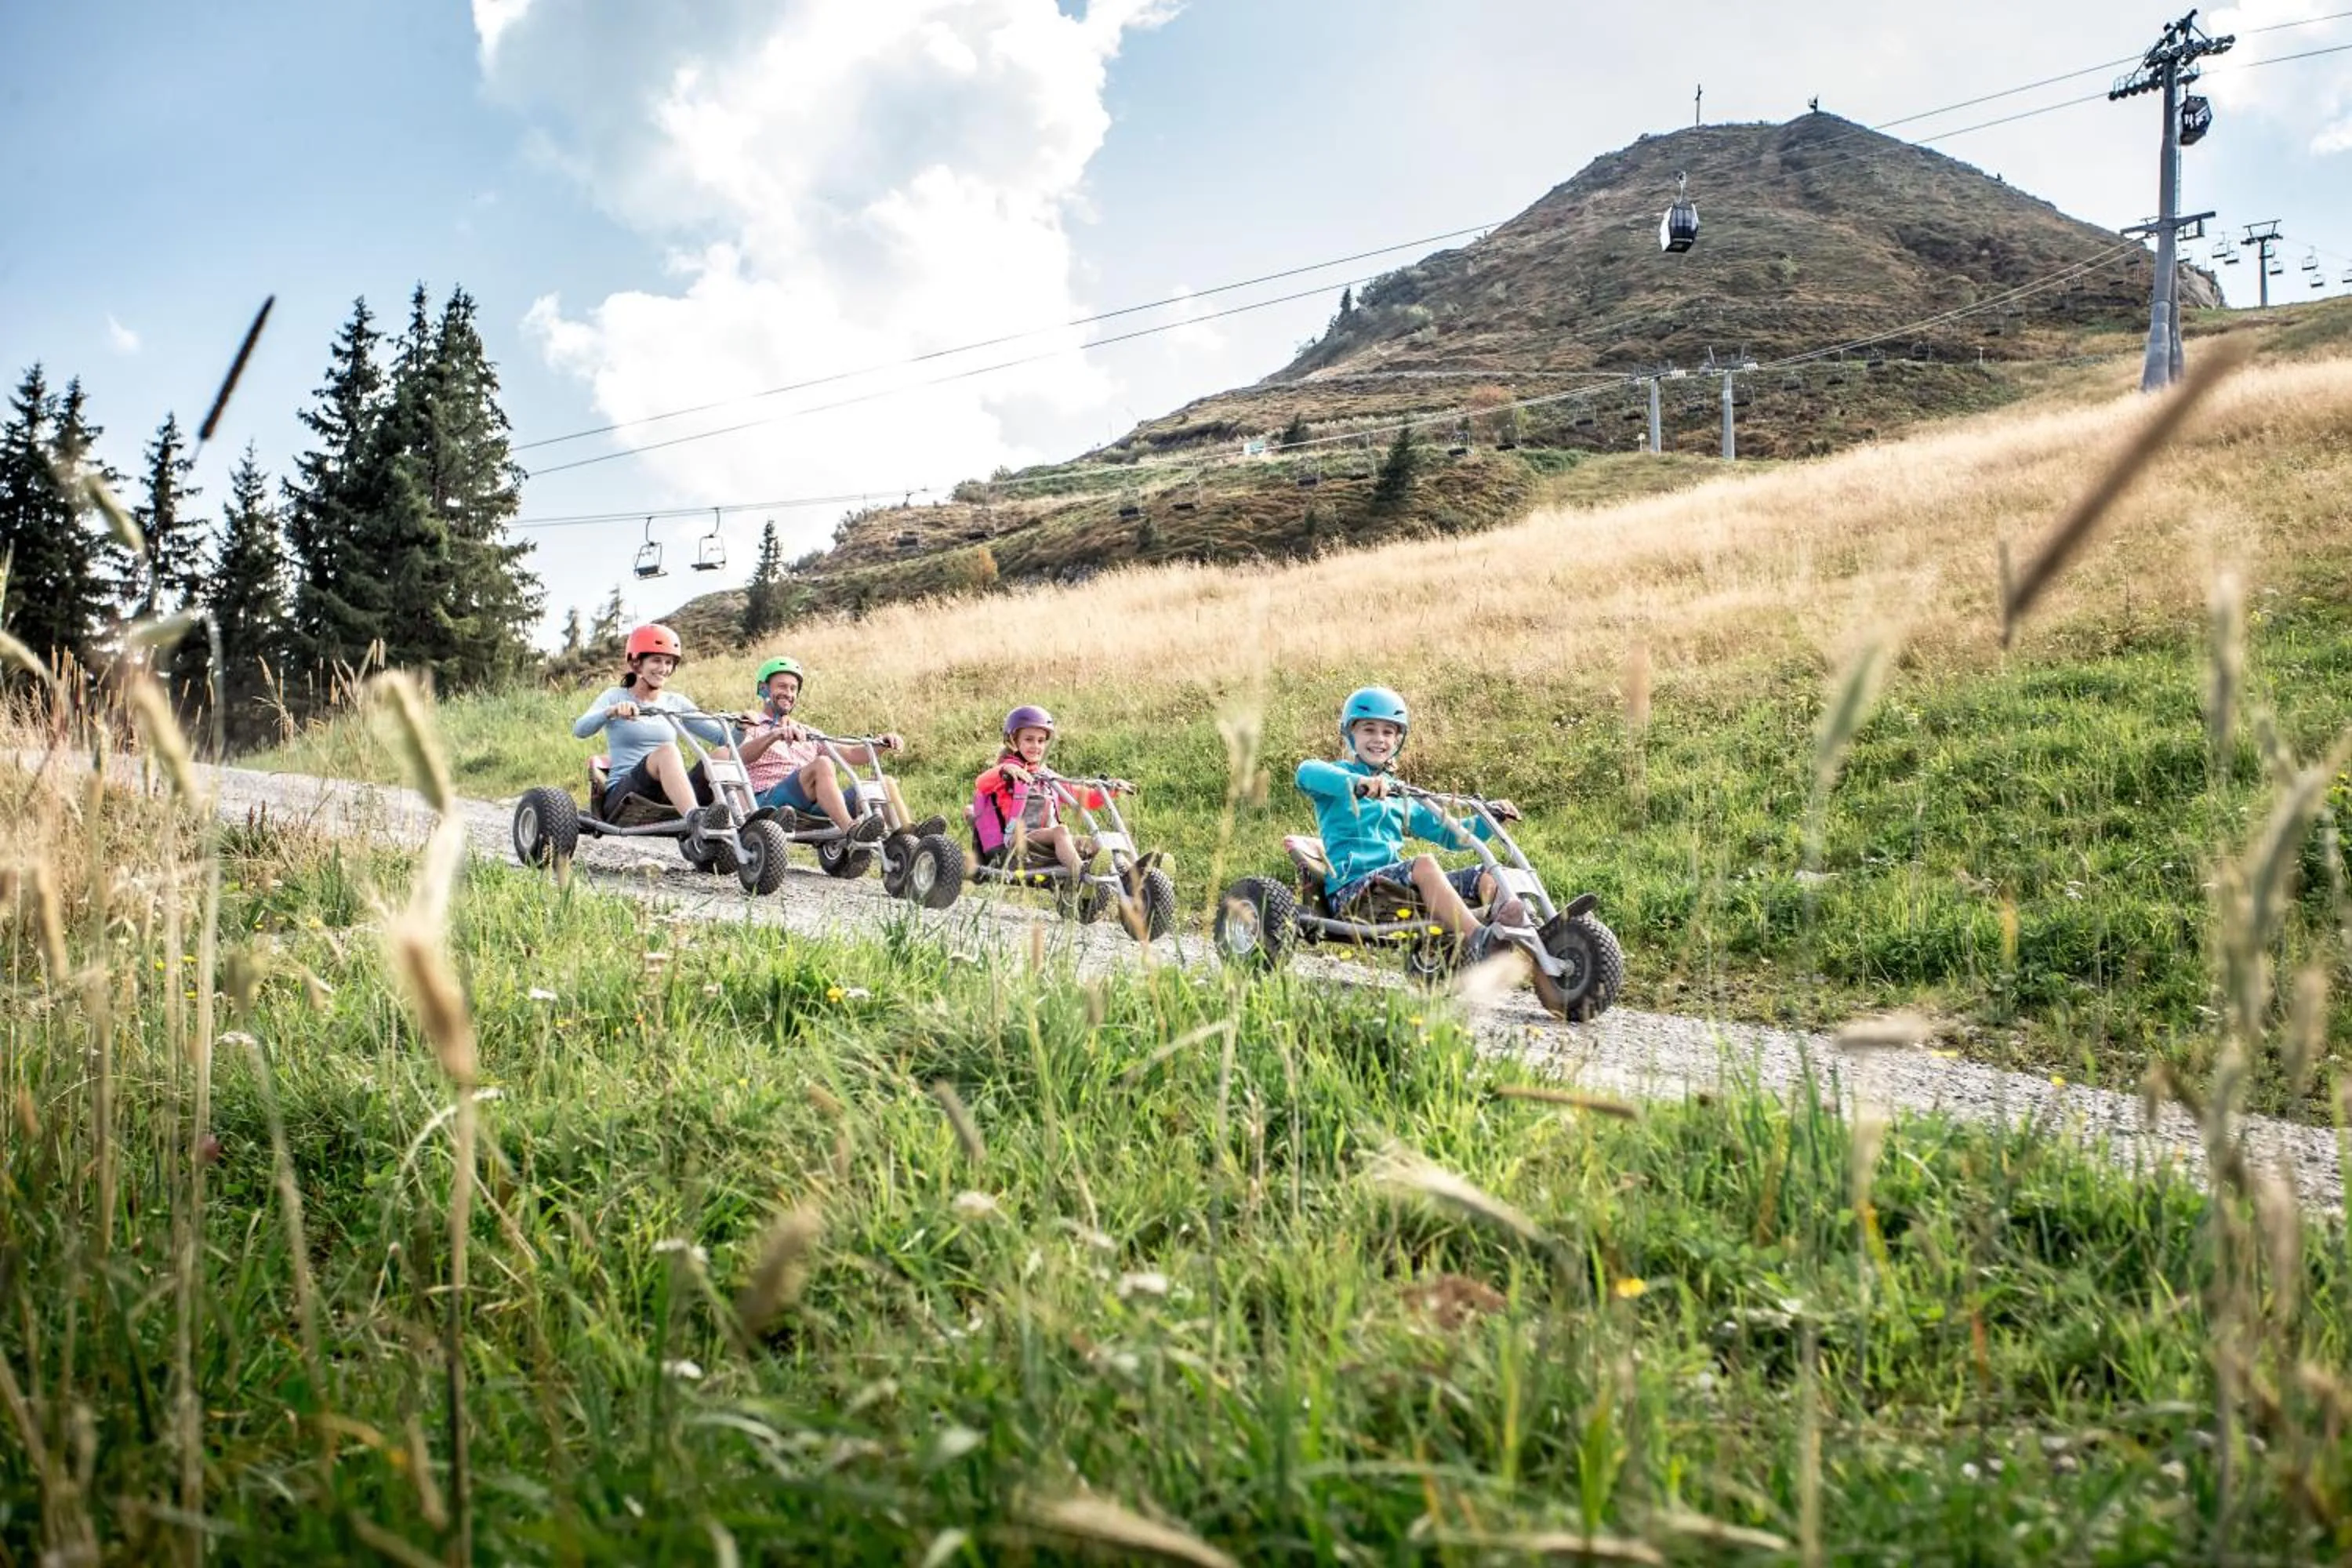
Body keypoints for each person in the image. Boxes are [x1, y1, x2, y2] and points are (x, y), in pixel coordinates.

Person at [1294, 685, 1528, 956]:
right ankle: (1478, 939)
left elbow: (1450, 835)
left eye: (1388, 732)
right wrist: (1359, 783)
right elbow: (1306, 772)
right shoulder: (1339, 777)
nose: (1379, 738)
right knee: (1425, 864)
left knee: (1488, 873)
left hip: (1393, 888)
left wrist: (1491, 819)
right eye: (1369, 729)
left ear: (1397, 740)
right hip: (1352, 894)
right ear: (1350, 733)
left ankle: (1515, 933)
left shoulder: (1398, 792)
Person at [572, 624, 730, 822]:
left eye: (669, 662)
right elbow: (580, 730)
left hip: (668, 794)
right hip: (625, 794)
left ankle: (739, 822)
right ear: (637, 663)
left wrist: (742, 726)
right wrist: (610, 712)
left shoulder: (675, 702)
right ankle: (696, 821)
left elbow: (722, 738)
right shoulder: (614, 696)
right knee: (668, 751)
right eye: (656, 660)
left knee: (724, 755)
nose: (663, 668)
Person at [733, 655, 893, 843]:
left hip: (815, 805)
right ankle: (851, 830)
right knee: (822, 764)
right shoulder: (751, 724)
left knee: (884, 783)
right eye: (782, 686)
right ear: (764, 689)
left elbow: (851, 754)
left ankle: (905, 841)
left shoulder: (808, 732)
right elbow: (739, 755)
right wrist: (775, 734)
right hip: (770, 801)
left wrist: (881, 744)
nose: (789, 693)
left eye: (793, 689)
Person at [971, 704, 1131, 878]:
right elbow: (982, 783)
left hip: (1050, 840)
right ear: (1013, 741)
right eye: (1029, 739)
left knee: (1098, 844)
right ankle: (1080, 873)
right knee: (1061, 831)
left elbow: (1086, 798)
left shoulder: (1047, 776)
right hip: (1018, 840)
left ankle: (1135, 877)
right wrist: (1006, 769)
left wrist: (1113, 789)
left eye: (1041, 741)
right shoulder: (1007, 772)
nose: (1036, 746)